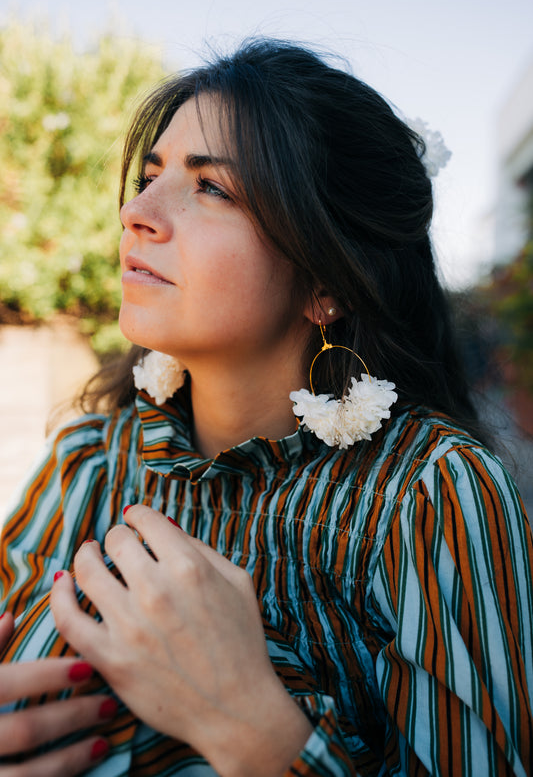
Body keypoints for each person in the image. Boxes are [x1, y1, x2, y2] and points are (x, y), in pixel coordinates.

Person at [0, 38, 532, 776]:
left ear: (327, 281)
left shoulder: (427, 494)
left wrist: (244, 720)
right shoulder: (89, 456)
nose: (136, 211)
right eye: (149, 175)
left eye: (211, 187)